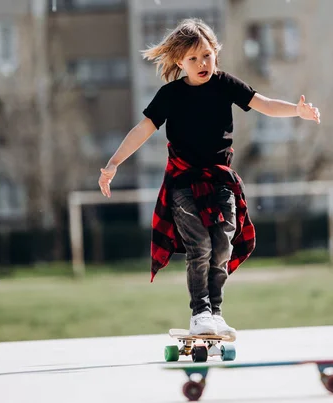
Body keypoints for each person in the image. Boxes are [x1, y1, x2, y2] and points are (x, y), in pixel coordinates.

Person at [97, 18, 320, 338]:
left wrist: (296, 112)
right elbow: (143, 129)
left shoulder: (225, 84)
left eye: (206, 55)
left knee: (222, 242)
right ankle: (200, 312)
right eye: (193, 59)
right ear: (179, 62)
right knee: (199, 244)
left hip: (220, 181)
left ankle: (215, 312)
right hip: (184, 182)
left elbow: (265, 104)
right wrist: (114, 163)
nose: (202, 63)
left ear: (215, 53)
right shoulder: (170, 94)